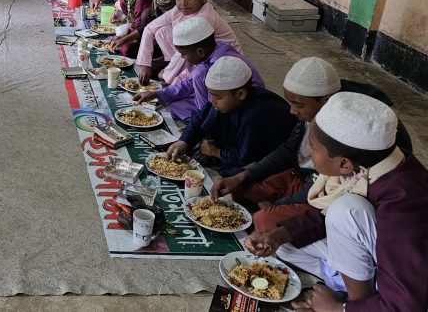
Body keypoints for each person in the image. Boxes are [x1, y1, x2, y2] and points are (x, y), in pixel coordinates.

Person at [244, 92, 428, 311]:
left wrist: (337, 309)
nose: (309, 153)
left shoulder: (403, 203)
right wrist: (276, 236)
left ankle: (358, 300)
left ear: (343, 164)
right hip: (378, 258)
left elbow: (407, 303)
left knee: (346, 210)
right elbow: (324, 215)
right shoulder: (371, 166)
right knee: (285, 248)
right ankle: (350, 287)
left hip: (409, 290)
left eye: (312, 147)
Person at [210, 57, 413, 232]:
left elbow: (326, 181)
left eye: (298, 105)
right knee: (238, 187)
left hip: (327, 189)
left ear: (326, 100)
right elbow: (289, 149)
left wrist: (278, 206)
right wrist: (242, 175)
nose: (291, 111)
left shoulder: (351, 126)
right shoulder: (317, 112)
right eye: (290, 103)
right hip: (300, 176)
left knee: (265, 220)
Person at [166, 56, 296, 176]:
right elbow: (201, 116)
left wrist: (215, 151)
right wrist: (184, 141)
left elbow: (245, 157)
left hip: (268, 157)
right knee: (211, 113)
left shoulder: (254, 116)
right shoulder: (228, 101)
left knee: (234, 176)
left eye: (217, 96)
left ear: (240, 94)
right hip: (240, 142)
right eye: (211, 94)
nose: (211, 100)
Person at [134, 16, 264, 121]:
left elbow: (221, 96)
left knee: (198, 75)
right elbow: (187, 84)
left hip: (242, 106)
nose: (183, 58)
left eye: (184, 54)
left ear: (200, 52)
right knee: (172, 105)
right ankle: (203, 117)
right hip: (223, 100)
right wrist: (156, 94)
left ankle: (205, 122)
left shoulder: (219, 65)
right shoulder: (214, 50)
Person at [136, 0, 241, 86]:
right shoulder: (178, 9)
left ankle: (172, 78)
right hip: (194, 55)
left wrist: (165, 77)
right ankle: (175, 73)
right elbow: (149, 28)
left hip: (224, 60)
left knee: (184, 55)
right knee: (161, 31)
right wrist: (145, 65)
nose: (183, 3)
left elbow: (186, 52)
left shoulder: (204, 17)